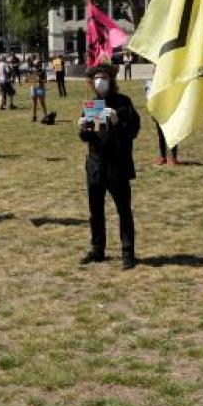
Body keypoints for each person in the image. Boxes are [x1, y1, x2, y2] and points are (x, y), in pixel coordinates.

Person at [78, 64, 140, 269]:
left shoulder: (123, 103)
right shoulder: (92, 104)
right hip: (96, 165)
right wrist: (81, 129)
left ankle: (128, 252)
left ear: (111, 80)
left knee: (124, 210)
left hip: (118, 165)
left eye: (103, 77)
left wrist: (116, 121)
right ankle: (97, 249)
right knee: (95, 211)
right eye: (96, 78)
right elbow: (89, 136)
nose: (99, 81)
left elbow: (132, 131)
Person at [30, 58, 49, 122]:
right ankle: (34, 117)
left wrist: (39, 80)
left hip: (40, 88)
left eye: (37, 63)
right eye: (35, 63)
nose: (35, 64)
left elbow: (45, 80)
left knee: (42, 103)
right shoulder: (32, 70)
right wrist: (31, 78)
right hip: (33, 87)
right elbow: (30, 79)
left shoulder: (42, 71)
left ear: (39, 64)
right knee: (34, 103)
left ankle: (45, 116)